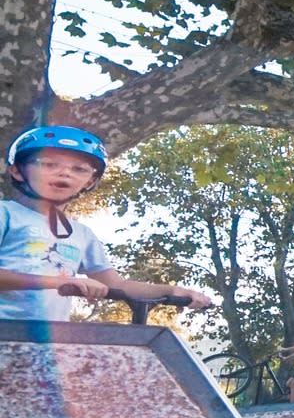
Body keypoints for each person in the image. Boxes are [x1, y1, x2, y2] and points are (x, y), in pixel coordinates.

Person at [1, 125, 216, 324]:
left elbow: (118, 285)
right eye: (48, 164)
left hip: (40, 345)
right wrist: (58, 283)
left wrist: (170, 290)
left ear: (91, 181)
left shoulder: (81, 233)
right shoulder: (6, 214)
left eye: (80, 169)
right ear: (17, 171)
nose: (65, 172)